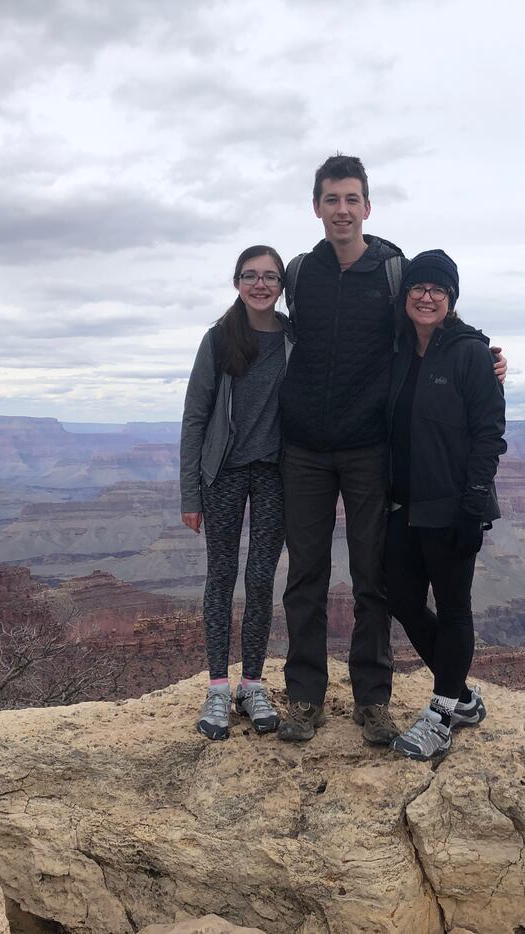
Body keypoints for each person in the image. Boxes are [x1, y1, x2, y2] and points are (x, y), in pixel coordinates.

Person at [277, 154, 506, 744]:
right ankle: (304, 696)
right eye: (332, 200)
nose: (342, 210)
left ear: (368, 207)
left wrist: (483, 349)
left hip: (367, 449)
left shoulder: (392, 269)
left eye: (352, 199)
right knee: (305, 574)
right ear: (317, 207)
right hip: (302, 447)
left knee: (370, 577)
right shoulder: (302, 272)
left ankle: (372, 700)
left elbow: (435, 307)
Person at [384, 250, 506, 760]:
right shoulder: (395, 349)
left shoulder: (470, 354)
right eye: (418, 287)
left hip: (452, 506)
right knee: (403, 601)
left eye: (438, 289)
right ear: (406, 294)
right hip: (401, 506)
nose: (427, 296)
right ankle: (460, 695)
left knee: (454, 608)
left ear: (451, 297)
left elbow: (489, 434)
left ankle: (439, 714)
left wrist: (473, 507)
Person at [180, 245, 292, 740]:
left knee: (262, 577)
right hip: (223, 472)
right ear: (237, 282)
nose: (260, 284)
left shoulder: (294, 337)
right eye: (251, 275)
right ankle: (219, 687)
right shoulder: (219, 338)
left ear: (282, 285)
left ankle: (253, 682)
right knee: (222, 575)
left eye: (270, 276)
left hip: (274, 472)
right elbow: (195, 417)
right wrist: (190, 494)